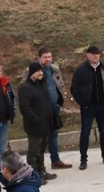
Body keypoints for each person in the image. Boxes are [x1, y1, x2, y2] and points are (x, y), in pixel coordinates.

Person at [20, 46, 71, 174]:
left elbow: (59, 84)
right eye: (45, 57)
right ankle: (35, 173)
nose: (48, 59)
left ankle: (54, 161)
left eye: (49, 57)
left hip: (52, 110)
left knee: (52, 136)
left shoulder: (54, 69)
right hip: (38, 114)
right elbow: (26, 95)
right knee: (37, 145)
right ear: (39, 58)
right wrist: (35, 116)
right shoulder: (31, 72)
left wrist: (59, 100)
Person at [70, 45, 104, 170]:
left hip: (103, 105)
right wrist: (82, 102)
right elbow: (74, 88)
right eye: (93, 54)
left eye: (97, 53)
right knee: (85, 132)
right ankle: (83, 160)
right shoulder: (81, 70)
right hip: (88, 107)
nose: (95, 56)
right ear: (87, 55)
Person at [18, 61, 54, 181]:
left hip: (45, 125)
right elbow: (24, 108)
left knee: (42, 150)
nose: (41, 73)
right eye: (38, 71)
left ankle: (41, 171)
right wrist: (36, 119)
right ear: (32, 73)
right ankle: (32, 176)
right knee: (33, 152)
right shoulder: (25, 88)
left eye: (41, 71)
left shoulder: (41, 85)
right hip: (34, 126)